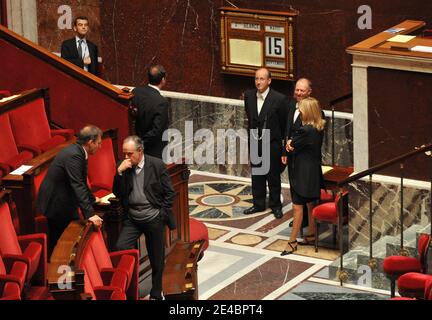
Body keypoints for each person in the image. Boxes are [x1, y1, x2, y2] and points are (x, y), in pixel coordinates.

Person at [113, 135, 176, 300]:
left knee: (156, 258)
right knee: (121, 247)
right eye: (124, 153)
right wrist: (119, 173)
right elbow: (117, 193)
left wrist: (161, 214)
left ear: (140, 151)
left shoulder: (155, 165)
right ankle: (129, 289)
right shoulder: (123, 167)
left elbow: (170, 193)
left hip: (153, 217)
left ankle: (156, 292)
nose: (126, 157)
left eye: (129, 153)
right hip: (133, 218)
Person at [36, 125, 104, 252]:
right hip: (56, 203)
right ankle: (56, 269)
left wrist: (92, 199)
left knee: (67, 240)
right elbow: (77, 184)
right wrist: (90, 215)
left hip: (63, 199)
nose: (100, 146)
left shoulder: (78, 151)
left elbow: (82, 181)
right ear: (90, 142)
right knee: (59, 242)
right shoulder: (74, 155)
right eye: (98, 143)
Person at [281, 97, 326, 255]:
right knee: (310, 204)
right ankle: (311, 234)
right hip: (313, 172)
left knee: (297, 207)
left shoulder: (305, 130)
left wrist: (290, 143)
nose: (299, 111)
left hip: (301, 174)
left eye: (301, 109)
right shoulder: (318, 128)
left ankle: (292, 242)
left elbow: (290, 146)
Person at [243, 68, 289, 219]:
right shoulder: (249, 96)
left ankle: (276, 205)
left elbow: (283, 124)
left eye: (262, 79)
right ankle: (258, 204)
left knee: (273, 176)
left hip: (272, 143)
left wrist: (282, 147)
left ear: (269, 81)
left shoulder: (279, 99)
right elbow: (250, 118)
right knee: (257, 174)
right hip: (255, 140)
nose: (258, 82)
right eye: (256, 78)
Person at [282, 78, 314, 229]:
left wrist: (294, 145)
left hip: (304, 158)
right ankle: (299, 218)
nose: (299, 93)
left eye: (302, 90)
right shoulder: (291, 106)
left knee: (304, 189)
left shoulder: (314, 110)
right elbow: (287, 131)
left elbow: (311, 137)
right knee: (294, 186)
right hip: (292, 156)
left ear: (309, 92)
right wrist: (285, 151)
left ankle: (305, 220)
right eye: (297, 90)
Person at [132, 64, 169, 159]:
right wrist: (142, 144)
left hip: (135, 144)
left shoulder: (136, 92)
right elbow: (156, 130)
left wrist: (138, 144)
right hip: (153, 151)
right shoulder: (161, 102)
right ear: (163, 80)